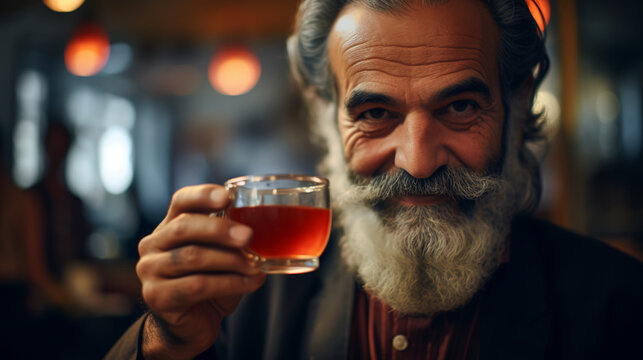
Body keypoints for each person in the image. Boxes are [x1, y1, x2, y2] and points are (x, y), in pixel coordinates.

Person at [107, 0, 643, 359]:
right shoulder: (242, 303)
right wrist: (163, 342)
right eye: (374, 114)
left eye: (459, 106)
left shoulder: (617, 307)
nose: (417, 161)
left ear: (519, 103)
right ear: (325, 115)